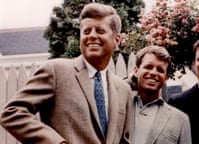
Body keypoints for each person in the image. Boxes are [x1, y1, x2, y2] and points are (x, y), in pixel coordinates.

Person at [0, 3, 132, 144]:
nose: (92, 36)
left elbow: (124, 140)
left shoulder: (123, 90)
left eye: (100, 31)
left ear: (116, 40)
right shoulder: (57, 71)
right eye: (86, 31)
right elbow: (12, 112)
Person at [129, 45, 192, 144]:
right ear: (136, 71)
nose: (154, 73)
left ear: (166, 77)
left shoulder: (180, 120)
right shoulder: (121, 107)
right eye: (148, 67)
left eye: (160, 70)